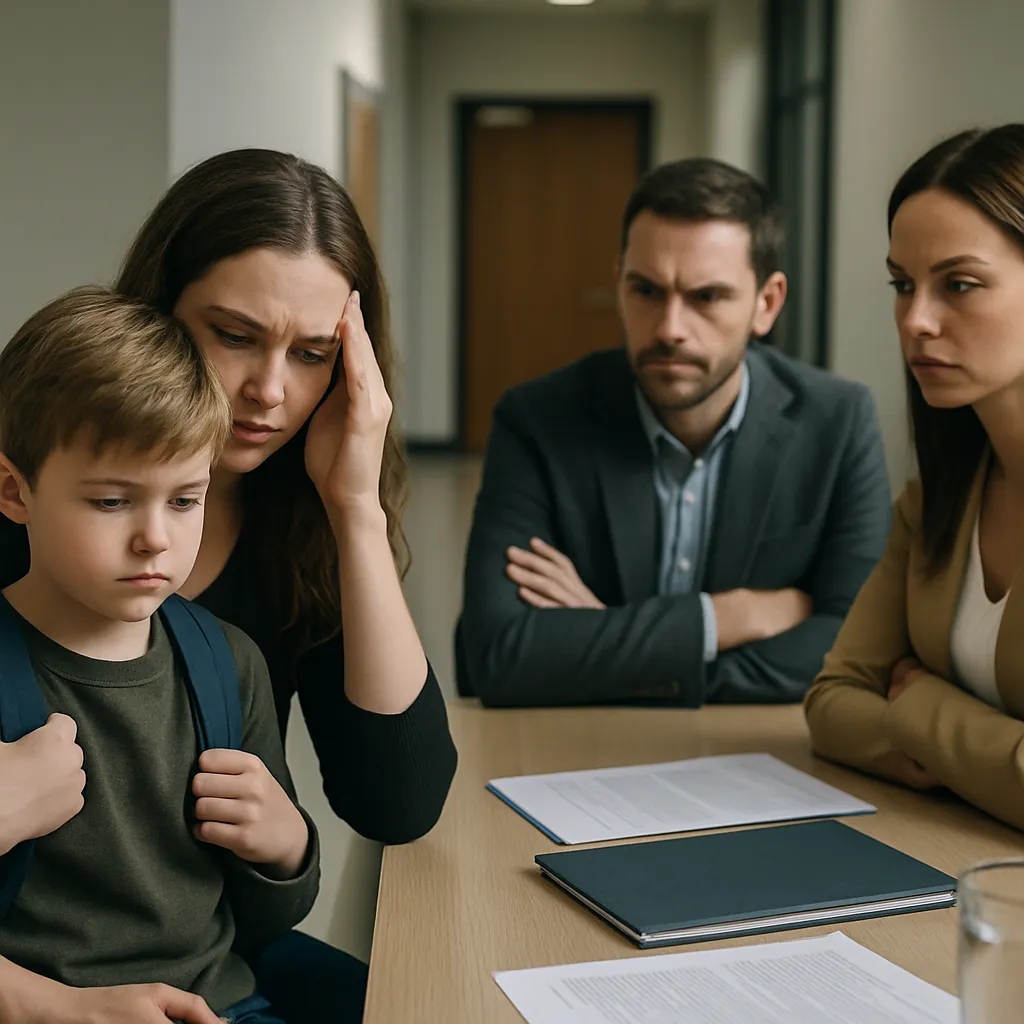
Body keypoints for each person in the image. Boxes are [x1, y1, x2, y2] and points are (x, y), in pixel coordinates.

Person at [0, 149, 457, 1019]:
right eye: (235, 335)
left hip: (215, 962)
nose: (269, 394)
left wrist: (352, 507)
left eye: (314, 353)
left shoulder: (279, 558)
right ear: (159, 316)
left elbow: (396, 801)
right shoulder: (30, 495)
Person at [457, 158, 892, 707]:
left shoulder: (838, 422)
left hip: (751, 762)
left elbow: (857, 653)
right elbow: (499, 656)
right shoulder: (537, 420)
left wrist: (609, 637)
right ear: (618, 284)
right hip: (572, 755)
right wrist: (726, 617)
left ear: (768, 303)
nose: (669, 329)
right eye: (647, 291)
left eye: (706, 297)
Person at [0, 288, 317, 1024]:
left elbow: (270, 920)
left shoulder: (226, 664)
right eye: (112, 502)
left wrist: (287, 846)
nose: (156, 538)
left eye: (184, 500)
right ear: (14, 491)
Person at [806, 124, 1024, 831]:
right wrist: (986, 758)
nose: (915, 321)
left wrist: (922, 704)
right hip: (952, 863)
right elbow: (832, 703)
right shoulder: (935, 499)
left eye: (958, 284)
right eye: (903, 285)